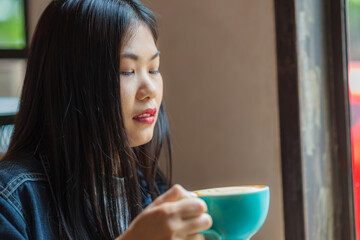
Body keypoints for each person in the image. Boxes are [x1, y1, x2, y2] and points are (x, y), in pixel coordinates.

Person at [0, 0, 212, 239]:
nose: (150, 90)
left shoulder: (146, 183)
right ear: (73, 82)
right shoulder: (11, 201)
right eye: (127, 71)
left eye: (153, 68)